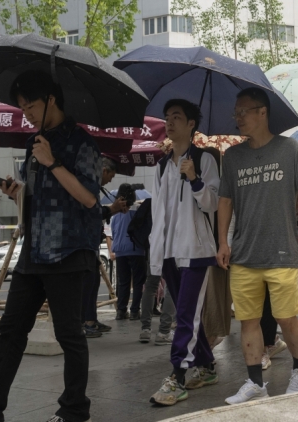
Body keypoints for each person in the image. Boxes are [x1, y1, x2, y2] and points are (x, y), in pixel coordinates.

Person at [0, 70, 103, 422]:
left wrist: (52, 162)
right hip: (34, 251)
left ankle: (75, 409)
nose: (26, 112)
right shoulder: (35, 141)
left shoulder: (82, 143)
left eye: (30, 105)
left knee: (69, 334)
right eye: (21, 107)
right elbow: (42, 197)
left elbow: (89, 198)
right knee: (11, 330)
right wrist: (18, 193)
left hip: (69, 250)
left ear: (51, 100)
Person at [217, 88, 298, 403]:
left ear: (262, 112)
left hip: (281, 252)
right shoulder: (233, 156)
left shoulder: (289, 149)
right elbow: (225, 201)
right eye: (236, 112)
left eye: (243, 111)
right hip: (244, 253)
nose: (238, 118)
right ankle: (254, 383)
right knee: (248, 321)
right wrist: (222, 241)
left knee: (286, 317)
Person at [148, 99, 220, 406]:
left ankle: (177, 376)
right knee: (187, 315)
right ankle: (207, 366)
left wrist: (195, 179)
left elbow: (212, 204)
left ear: (191, 124)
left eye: (177, 117)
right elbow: (157, 211)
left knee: (186, 315)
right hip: (168, 252)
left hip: (196, 250)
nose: (170, 122)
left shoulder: (205, 159)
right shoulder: (162, 165)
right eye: (167, 117)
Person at [82, 156, 127, 338]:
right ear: (104, 171)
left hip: (91, 243)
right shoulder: (86, 186)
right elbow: (89, 213)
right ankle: (86, 323)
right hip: (82, 244)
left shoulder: (94, 188)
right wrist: (111, 209)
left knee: (93, 283)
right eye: (111, 176)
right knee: (87, 284)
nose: (110, 180)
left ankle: (91, 319)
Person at [111, 183, 147, 321]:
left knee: (123, 281)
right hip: (136, 249)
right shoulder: (136, 211)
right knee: (138, 281)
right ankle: (134, 311)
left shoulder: (115, 214)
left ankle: (121, 310)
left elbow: (114, 232)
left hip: (120, 249)